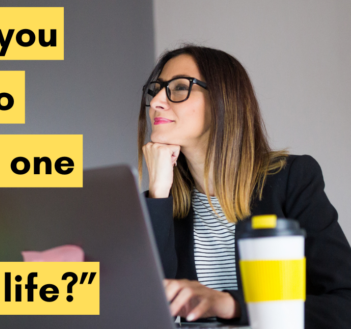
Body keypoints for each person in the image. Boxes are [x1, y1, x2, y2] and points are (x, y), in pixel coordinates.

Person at [138, 44, 351, 328]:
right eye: (156, 90)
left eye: (178, 88)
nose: (156, 102)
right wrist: (159, 190)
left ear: (223, 100)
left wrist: (231, 304)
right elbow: (148, 312)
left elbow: (344, 303)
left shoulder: (292, 179)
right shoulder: (157, 204)